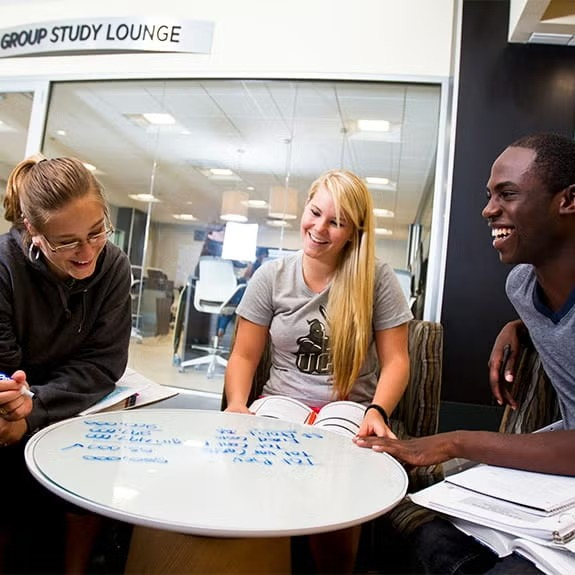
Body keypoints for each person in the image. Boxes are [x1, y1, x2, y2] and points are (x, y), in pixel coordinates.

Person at [354, 132, 575, 573]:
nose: (488, 210)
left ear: (568, 201)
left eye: (507, 194)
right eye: (489, 195)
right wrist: (520, 329)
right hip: (559, 478)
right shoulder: (523, 288)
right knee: (428, 538)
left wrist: (451, 441)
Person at [224, 169, 413, 573]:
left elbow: (397, 360)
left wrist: (377, 411)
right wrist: (239, 405)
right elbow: (244, 355)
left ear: (354, 232)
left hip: (348, 406)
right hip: (281, 400)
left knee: (334, 485)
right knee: (254, 477)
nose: (319, 228)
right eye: (315, 213)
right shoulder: (271, 276)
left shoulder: (377, 279)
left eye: (337, 222)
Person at [0, 155, 132, 574]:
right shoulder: (4, 266)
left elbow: (102, 364)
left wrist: (33, 409)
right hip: (9, 409)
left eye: (96, 232)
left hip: (65, 407)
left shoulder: (113, 265)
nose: (87, 251)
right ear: (33, 232)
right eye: (67, 242)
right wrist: (10, 402)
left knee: (91, 467)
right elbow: (4, 365)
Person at [216, 246, 269, 338]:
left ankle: (221, 329)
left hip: (253, 294)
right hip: (246, 291)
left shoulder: (266, 267)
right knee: (237, 296)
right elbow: (247, 277)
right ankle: (222, 327)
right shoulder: (255, 264)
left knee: (233, 302)